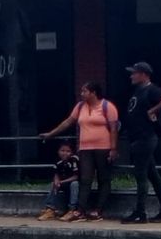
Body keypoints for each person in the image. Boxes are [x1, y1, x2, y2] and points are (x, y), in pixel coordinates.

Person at [40, 81, 118, 222]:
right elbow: (68, 122)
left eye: (85, 91)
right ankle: (80, 210)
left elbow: (113, 128)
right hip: (85, 148)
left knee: (104, 178)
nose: (82, 94)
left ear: (93, 93)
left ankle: (98, 210)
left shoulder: (107, 106)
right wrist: (51, 134)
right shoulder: (80, 106)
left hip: (103, 147)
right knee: (85, 178)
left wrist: (113, 148)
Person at [121, 61, 161, 224]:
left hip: (145, 138)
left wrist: (153, 110)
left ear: (143, 74)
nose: (131, 75)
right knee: (153, 176)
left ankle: (140, 212)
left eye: (134, 73)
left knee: (141, 175)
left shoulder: (151, 89)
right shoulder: (138, 91)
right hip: (138, 137)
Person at [38, 143, 81, 221]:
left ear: (71, 152)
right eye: (62, 150)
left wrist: (62, 181)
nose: (65, 153)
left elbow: (76, 176)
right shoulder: (58, 161)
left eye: (68, 151)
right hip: (63, 183)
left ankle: (72, 210)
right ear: (58, 151)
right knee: (53, 184)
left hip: (72, 183)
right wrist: (56, 181)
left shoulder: (74, 160)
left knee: (75, 184)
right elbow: (56, 173)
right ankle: (50, 209)